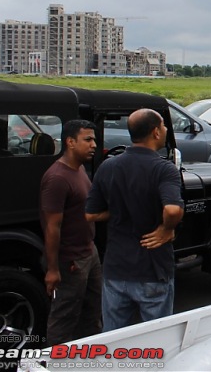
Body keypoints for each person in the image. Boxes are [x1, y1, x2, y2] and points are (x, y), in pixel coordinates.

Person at [86, 109, 184, 330]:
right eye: (164, 126)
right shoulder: (163, 169)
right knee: (156, 339)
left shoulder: (108, 166)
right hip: (152, 271)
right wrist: (166, 230)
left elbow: (90, 214)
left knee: (113, 339)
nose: (166, 130)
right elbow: (172, 210)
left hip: (116, 269)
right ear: (155, 132)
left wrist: (120, 211)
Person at [40, 119, 102, 344]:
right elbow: (52, 227)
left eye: (94, 139)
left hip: (89, 252)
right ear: (70, 142)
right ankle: (55, 363)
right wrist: (53, 269)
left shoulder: (80, 169)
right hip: (70, 260)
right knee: (64, 317)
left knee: (92, 312)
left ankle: (89, 360)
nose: (93, 144)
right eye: (87, 140)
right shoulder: (57, 178)